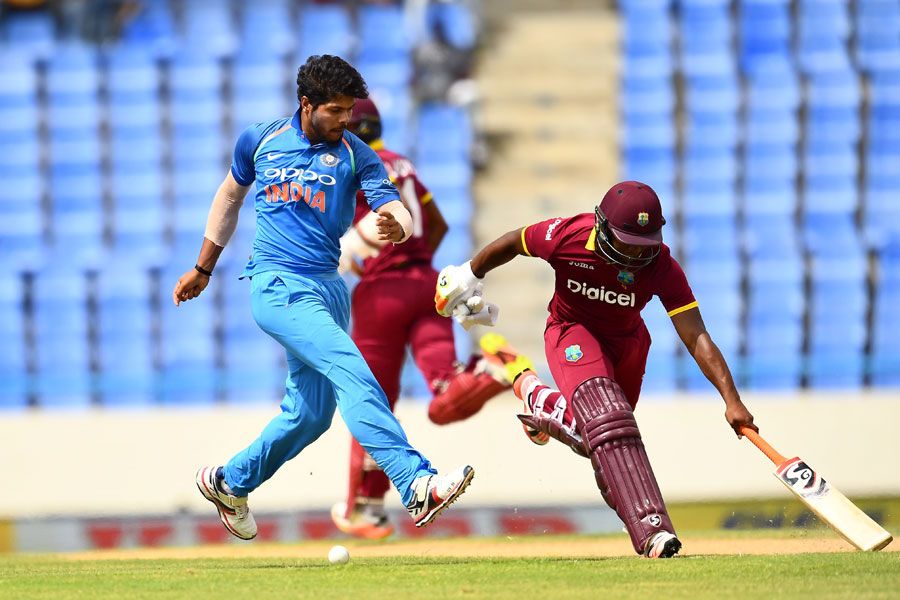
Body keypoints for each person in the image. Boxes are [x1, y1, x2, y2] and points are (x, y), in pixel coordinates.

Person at [172, 54, 474, 541]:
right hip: (277, 284)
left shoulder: (357, 153)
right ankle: (415, 482)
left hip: (329, 290)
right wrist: (203, 266)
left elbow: (394, 203)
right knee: (354, 371)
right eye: (335, 110)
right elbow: (229, 196)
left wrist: (399, 221)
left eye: (349, 110)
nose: (345, 120)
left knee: (310, 416)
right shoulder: (260, 139)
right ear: (306, 104)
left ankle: (229, 483)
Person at [434, 180, 757, 558]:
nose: (635, 256)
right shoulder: (567, 235)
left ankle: (533, 394)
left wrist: (731, 399)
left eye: (644, 246)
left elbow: (696, 335)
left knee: (603, 445)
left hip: (628, 346)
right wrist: (471, 273)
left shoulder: (662, 267)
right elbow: (514, 241)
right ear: (602, 226)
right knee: (609, 421)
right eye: (625, 243)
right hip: (572, 332)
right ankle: (653, 531)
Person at [330, 97, 533, 539]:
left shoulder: (349, 162)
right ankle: (489, 370)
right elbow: (436, 224)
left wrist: (367, 260)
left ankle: (363, 505)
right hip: (427, 285)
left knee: (372, 401)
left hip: (381, 295)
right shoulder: (403, 164)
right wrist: (414, 258)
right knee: (444, 395)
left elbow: (335, 232)